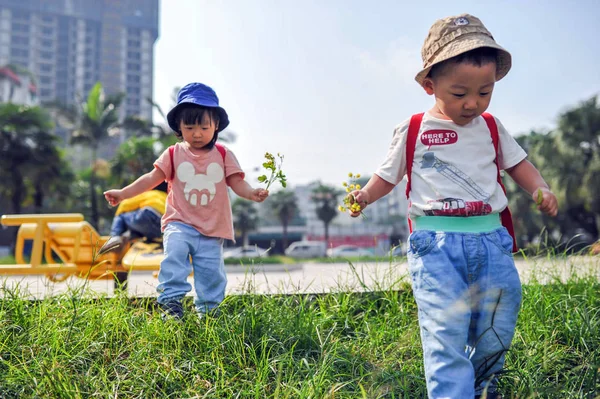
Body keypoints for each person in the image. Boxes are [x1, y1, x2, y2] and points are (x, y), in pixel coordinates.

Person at [348, 14, 558, 399]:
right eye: (460, 94)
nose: (473, 103)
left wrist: (539, 188)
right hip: (435, 245)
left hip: (492, 241)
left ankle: (483, 386)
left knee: (496, 324)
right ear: (430, 85)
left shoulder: (492, 126)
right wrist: (364, 195)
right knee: (445, 328)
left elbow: (517, 164)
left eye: (485, 92)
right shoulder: (414, 129)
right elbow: (387, 176)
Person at [104, 82, 269, 319]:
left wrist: (252, 192)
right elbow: (150, 179)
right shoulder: (173, 154)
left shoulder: (223, 155)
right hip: (179, 222)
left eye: (204, 126)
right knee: (175, 255)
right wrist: (123, 193)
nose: (197, 133)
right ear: (179, 128)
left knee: (211, 273)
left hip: (212, 228)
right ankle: (171, 304)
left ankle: (210, 314)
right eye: (189, 127)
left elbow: (236, 183)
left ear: (216, 126)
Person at [98, 182, 167, 255]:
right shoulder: (168, 197)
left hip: (147, 214)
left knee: (122, 215)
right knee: (140, 228)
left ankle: (115, 236)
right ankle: (128, 235)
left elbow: (124, 205)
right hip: (162, 225)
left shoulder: (149, 193)